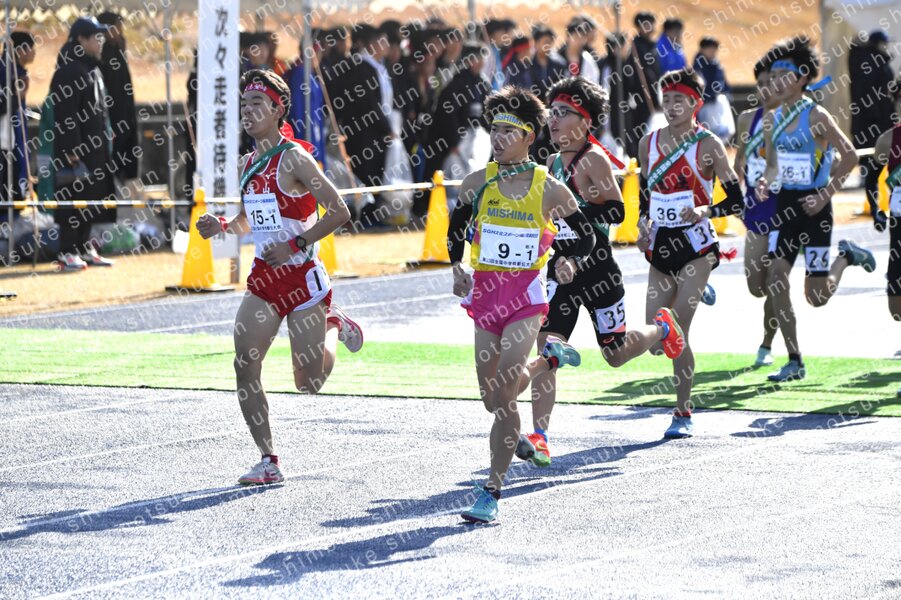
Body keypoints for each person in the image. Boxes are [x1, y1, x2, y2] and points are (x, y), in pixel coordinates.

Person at [196, 70, 363, 486]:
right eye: (244, 104)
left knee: (309, 384)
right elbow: (249, 218)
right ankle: (269, 459)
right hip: (265, 280)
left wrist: (296, 244)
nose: (247, 111)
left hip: (303, 278)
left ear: (277, 109)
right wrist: (222, 226)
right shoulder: (247, 164)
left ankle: (333, 323)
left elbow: (340, 211)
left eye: (257, 103)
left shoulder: (294, 159)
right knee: (244, 364)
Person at [514, 77, 685, 466]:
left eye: (563, 113)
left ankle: (662, 328)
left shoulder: (593, 159)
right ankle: (540, 436)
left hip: (598, 270)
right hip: (561, 270)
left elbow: (617, 210)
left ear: (585, 121)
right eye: (552, 113)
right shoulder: (551, 162)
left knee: (615, 354)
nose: (554, 121)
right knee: (548, 347)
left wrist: (573, 210)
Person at [447, 86, 595, 522]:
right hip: (485, 294)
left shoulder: (548, 188)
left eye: (508, 131)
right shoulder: (477, 183)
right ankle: (549, 361)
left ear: (530, 136)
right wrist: (457, 267)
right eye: (494, 129)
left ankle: (491, 492)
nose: (498, 137)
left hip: (526, 297)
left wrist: (569, 260)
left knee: (506, 390)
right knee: (492, 399)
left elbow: (586, 235)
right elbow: (455, 231)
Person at [756, 36, 875, 382]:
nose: (777, 82)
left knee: (817, 297)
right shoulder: (772, 119)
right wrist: (765, 182)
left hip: (816, 208)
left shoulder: (817, 115)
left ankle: (847, 257)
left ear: (803, 77)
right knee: (776, 277)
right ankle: (794, 359)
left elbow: (849, 156)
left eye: (785, 75)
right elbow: (773, 166)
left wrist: (824, 196)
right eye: (773, 76)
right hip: (787, 206)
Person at [637, 68, 747, 438]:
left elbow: (736, 200)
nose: (671, 106)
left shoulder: (709, 145)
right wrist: (642, 224)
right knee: (656, 342)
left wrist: (706, 209)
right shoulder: (648, 144)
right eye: (666, 99)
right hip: (661, 246)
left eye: (678, 100)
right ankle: (697, 290)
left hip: (697, 246)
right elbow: (645, 196)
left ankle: (683, 411)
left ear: (695, 103)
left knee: (676, 332)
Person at [49, 16, 116, 271]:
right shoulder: (69, 70)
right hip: (76, 152)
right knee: (72, 199)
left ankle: (83, 247)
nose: (101, 42)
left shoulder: (91, 69)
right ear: (81, 40)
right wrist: (71, 149)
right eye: (96, 37)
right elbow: (66, 114)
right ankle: (67, 251)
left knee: (91, 198)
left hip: (95, 150)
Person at [733, 57, 781, 367]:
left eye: (771, 83)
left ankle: (766, 344)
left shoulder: (794, 120)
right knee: (756, 286)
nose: (765, 89)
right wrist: (737, 198)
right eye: (760, 83)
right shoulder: (746, 119)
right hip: (756, 211)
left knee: (776, 282)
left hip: (784, 213)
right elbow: (739, 162)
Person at [849, 30, 896, 232]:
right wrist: (879, 117)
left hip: (876, 122)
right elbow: (868, 94)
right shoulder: (871, 63)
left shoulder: (874, 61)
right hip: (875, 123)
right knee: (873, 165)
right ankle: (877, 203)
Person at [872, 123, 901, 395]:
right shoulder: (889, 139)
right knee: (897, 308)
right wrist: (875, 209)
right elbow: (871, 175)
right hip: (898, 229)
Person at [97, 11, 139, 182]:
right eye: (117, 27)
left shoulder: (118, 50)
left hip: (124, 112)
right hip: (113, 115)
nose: (120, 31)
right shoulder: (103, 54)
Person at [0, 31, 34, 205]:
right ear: (20, 50)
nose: (34, 52)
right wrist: (16, 95)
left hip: (14, 139)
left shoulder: (17, 72)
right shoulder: (5, 73)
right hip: (6, 142)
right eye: (31, 48)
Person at [627, 12, 661, 159]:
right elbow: (643, 76)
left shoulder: (652, 46)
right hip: (640, 99)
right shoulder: (635, 47)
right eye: (646, 24)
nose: (650, 27)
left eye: (651, 24)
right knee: (641, 133)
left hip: (655, 97)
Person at [693, 37, 733, 141]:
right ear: (702, 49)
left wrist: (726, 92)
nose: (712, 51)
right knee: (706, 134)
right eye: (709, 48)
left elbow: (723, 83)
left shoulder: (716, 64)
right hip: (703, 104)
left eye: (714, 48)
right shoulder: (698, 66)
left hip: (715, 102)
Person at [560, 16, 600, 84]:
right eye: (576, 37)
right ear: (568, 37)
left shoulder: (587, 59)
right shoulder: (558, 58)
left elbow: (593, 81)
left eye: (582, 38)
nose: (579, 41)